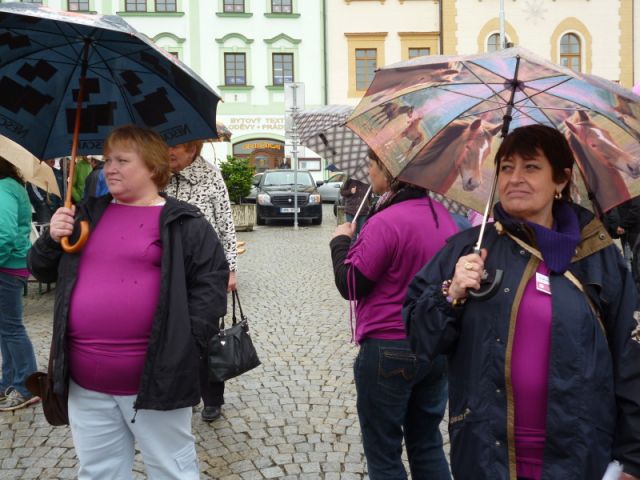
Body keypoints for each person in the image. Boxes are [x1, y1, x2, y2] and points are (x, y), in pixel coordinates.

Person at [404, 125, 640, 480]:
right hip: (486, 454)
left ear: (560, 180)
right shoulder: (468, 249)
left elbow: (630, 356)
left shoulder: (598, 256)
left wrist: (634, 458)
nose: (515, 178)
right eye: (506, 167)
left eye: (531, 167)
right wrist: (450, 293)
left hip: (577, 454)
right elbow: (422, 341)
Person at [28, 125, 229, 479]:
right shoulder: (87, 213)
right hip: (85, 382)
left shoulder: (186, 222)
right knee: (98, 472)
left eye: (122, 160)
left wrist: (187, 344)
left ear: (152, 166)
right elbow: (42, 270)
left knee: (171, 470)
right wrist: (52, 238)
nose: (110, 168)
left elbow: (210, 289)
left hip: (156, 379)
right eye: (107, 160)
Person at [329, 149, 457, 479]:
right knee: (427, 442)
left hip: (388, 346)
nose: (369, 175)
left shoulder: (384, 222)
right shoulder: (443, 217)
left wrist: (340, 243)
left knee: (384, 451)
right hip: (434, 345)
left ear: (388, 172)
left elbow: (352, 284)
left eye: (371, 167)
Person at [165, 140, 238, 423]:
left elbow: (226, 224)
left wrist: (230, 270)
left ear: (193, 149)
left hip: (206, 271)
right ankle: (184, 391)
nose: (169, 151)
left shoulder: (210, 176)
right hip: (170, 269)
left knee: (207, 337)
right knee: (174, 335)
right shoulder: (161, 176)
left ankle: (213, 397)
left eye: (175, 147)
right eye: (166, 146)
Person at [0, 157, 40, 411]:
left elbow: (4, 234)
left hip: (6, 266)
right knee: (6, 328)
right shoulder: (11, 185)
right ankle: (9, 382)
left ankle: (27, 386)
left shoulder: (3, 188)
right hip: (11, 264)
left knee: (12, 328)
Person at [339, 176, 370, 241]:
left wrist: (366, 204)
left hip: (363, 211)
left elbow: (369, 197)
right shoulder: (349, 180)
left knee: (362, 233)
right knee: (352, 234)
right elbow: (342, 192)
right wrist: (350, 191)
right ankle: (352, 250)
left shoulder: (368, 182)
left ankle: (360, 250)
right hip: (351, 211)